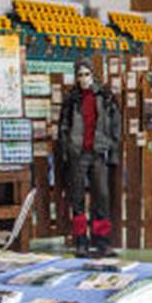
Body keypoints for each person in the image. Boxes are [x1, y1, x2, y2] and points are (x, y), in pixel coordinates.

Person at [58, 58, 121, 257]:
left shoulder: (106, 96)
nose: (83, 79)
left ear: (93, 75)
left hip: (99, 152)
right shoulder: (71, 99)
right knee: (77, 199)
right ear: (75, 77)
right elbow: (63, 127)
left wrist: (112, 148)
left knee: (101, 197)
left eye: (86, 74)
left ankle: (102, 242)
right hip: (78, 154)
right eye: (80, 75)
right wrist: (68, 148)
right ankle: (81, 242)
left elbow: (116, 125)